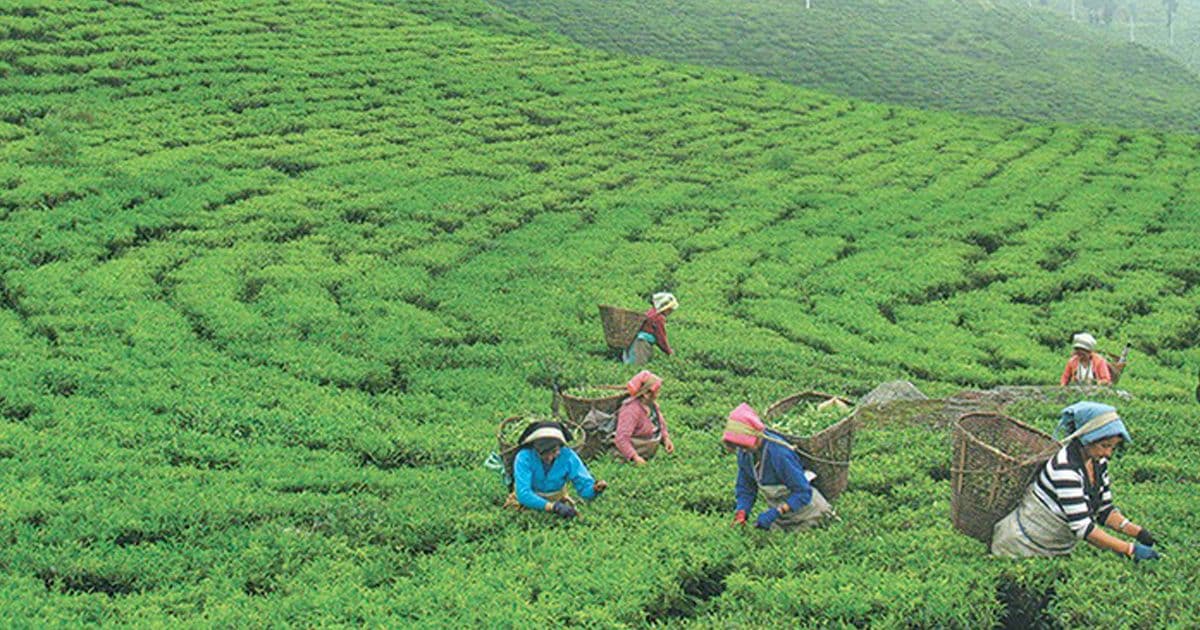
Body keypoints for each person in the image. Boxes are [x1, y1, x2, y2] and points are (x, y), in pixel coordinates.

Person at [991, 402, 1160, 562]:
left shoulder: (1098, 462)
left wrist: (1138, 532)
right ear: (1087, 439)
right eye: (1104, 445)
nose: (1108, 453)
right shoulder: (1065, 469)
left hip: (1056, 549)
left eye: (1112, 447)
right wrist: (1129, 550)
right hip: (1021, 548)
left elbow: (1104, 510)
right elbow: (1083, 528)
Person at [722, 403, 835, 531]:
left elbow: (803, 492)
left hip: (808, 512)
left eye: (744, 445)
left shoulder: (779, 454)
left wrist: (777, 511)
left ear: (757, 436)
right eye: (739, 446)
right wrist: (742, 511)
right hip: (780, 516)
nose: (742, 450)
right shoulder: (745, 453)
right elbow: (746, 487)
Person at [505, 421, 607, 519]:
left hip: (557, 499)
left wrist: (594, 489)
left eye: (554, 451)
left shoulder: (568, 456)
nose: (549, 458)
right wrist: (553, 507)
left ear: (560, 447)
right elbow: (523, 494)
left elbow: (583, 487)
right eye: (543, 453)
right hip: (528, 502)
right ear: (535, 449)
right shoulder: (524, 457)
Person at [614, 370, 675, 464]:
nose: (658, 395)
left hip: (646, 451)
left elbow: (660, 424)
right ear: (646, 394)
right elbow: (621, 438)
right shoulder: (631, 410)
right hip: (633, 454)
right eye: (657, 392)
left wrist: (666, 439)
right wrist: (634, 457)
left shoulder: (652, 405)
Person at [623, 292, 677, 365]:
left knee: (630, 364)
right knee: (638, 366)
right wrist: (669, 351)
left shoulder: (651, 312)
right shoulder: (659, 318)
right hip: (641, 344)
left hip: (635, 341)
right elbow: (661, 337)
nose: (670, 312)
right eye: (670, 309)